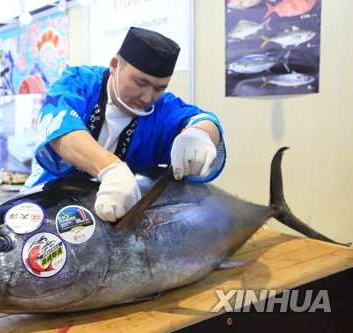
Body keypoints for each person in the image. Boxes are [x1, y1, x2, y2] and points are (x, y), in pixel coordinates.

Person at [24, 27, 226, 222]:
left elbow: (203, 120)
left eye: (159, 88)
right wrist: (110, 169)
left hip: (115, 222)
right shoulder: (81, 82)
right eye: (140, 83)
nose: (148, 97)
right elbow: (59, 124)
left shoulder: (162, 109)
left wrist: (200, 134)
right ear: (114, 65)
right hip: (48, 206)